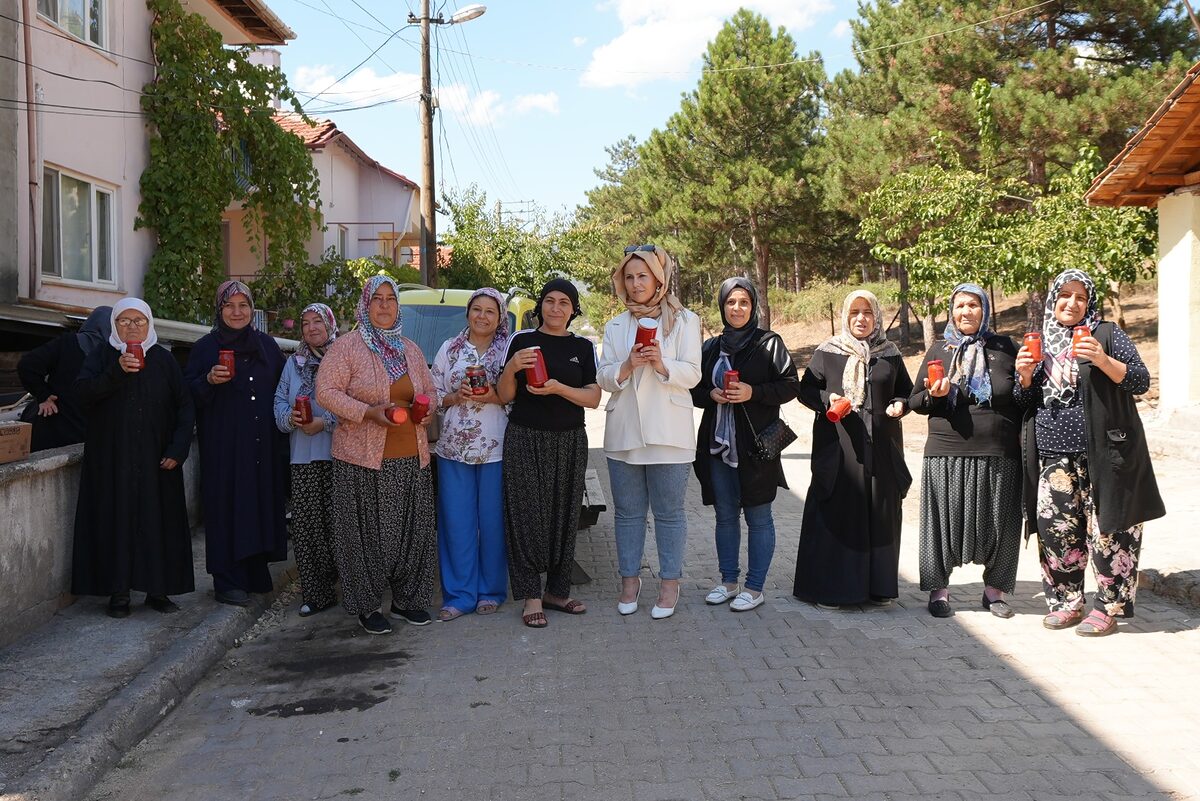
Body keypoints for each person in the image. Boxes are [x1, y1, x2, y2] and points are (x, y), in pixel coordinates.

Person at [1014, 269, 1164, 636]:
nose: (1072, 303)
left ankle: (1107, 606)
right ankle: (1067, 602)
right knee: (1057, 531)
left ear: (1089, 303)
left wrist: (1102, 359)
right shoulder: (1040, 341)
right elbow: (1024, 402)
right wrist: (1025, 377)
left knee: (1111, 531)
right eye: (1065, 294)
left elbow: (1140, 381)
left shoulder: (1107, 334)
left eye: (1081, 297)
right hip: (1052, 453)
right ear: (1053, 299)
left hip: (1105, 453)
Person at [316, 275, 438, 635]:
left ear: (399, 306)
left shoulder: (410, 350)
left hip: (411, 458)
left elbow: (429, 390)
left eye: (391, 299)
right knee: (365, 536)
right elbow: (326, 392)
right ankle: (367, 606)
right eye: (377, 299)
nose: (384, 305)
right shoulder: (348, 347)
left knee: (411, 534)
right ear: (365, 305)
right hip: (362, 460)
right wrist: (368, 412)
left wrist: (426, 410)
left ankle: (406, 601)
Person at [72, 299, 195, 617]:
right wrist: (117, 372)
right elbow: (82, 395)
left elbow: (185, 407)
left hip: (158, 461)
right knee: (117, 522)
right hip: (112, 459)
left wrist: (177, 450)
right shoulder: (101, 356)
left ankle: (158, 591)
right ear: (113, 325)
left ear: (149, 324)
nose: (131, 327)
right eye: (123, 321)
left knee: (158, 525)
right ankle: (119, 594)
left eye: (138, 321)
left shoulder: (165, 361)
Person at [598, 246, 701, 619]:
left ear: (659, 278)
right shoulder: (615, 325)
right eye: (629, 277)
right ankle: (630, 582)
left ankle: (669, 584)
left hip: (670, 435)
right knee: (627, 514)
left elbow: (693, 374)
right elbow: (604, 377)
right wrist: (625, 366)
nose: (636, 283)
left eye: (643, 276)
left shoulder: (686, 321)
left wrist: (661, 362)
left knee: (669, 514)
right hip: (624, 434)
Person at [793, 289, 912, 608]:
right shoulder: (828, 351)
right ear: (846, 316)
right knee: (840, 513)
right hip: (839, 449)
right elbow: (805, 390)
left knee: (878, 514)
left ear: (877, 316)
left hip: (881, 452)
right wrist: (827, 400)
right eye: (855, 313)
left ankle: (876, 588)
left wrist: (900, 405)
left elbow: (906, 392)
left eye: (868, 312)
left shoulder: (890, 352)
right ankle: (832, 590)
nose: (861, 318)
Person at [908, 284, 1022, 619]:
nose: (966, 312)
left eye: (973, 305)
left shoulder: (1006, 347)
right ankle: (939, 591)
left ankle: (994, 592)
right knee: (943, 524)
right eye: (960, 306)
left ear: (984, 309)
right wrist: (935, 396)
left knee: (1001, 523)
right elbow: (915, 401)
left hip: (999, 451)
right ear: (951, 311)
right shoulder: (939, 349)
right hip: (946, 449)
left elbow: (1023, 397)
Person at [691, 277, 800, 613]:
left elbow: (790, 385)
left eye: (743, 302)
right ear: (722, 307)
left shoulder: (769, 343)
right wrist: (709, 395)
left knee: (758, 516)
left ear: (752, 307)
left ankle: (754, 587)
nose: (736, 308)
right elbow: (691, 389)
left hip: (756, 447)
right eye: (730, 303)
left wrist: (754, 392)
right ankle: (728, 581)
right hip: (718, 446)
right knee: (725, 516)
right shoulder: (710, 347)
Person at [497, 278, 600, 629]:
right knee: (526, 515)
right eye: (550, 301)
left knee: (564, 514)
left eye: (564, 303)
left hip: (570, 439)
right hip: (525, 437)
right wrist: (511, 368)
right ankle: (531, 596)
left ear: (573, 310)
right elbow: (505, 395)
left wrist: (557, 387)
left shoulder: (584, 347)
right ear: (540, 305)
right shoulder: (522, 341)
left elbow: (593, 398)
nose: (556, 308)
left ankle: (557, 591)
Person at [185, 281, 288, 607]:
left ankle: (255, 571)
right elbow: (187, 396)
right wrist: (208, 381)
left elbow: (284, 386)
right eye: (230, 306)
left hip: (262, 445)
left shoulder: (267, 345)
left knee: (257, 504)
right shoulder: (204, 348)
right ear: (219, 309)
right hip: (225, 447)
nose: (237, 312)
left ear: (251, 310)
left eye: (243, 306)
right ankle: (227, 580)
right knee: (228, 506)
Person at [430, 288, 511, 621]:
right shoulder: (450, 349)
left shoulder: (508, 349)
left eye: (490, 311)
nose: (482, 316)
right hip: (453, 450)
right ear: (467, 313)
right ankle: (460, 594)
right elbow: (432, 392)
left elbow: (519, 395)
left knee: (492, 523)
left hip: (496, 449)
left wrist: (495, 395)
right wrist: (453, 397)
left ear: (499, 318)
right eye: (476, 309)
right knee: (456, 522)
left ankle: (491, 590)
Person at [273, 303, 340, 618]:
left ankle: (355, 590)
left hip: (341, 456)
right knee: (309, 529)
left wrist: (323, 423)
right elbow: (278, 401)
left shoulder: (343, 359)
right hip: (303, 459)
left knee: (342, 526)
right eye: (305, 323)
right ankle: (317, 593)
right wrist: (292, 420)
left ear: (330, 324)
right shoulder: (293, 364)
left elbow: (357, 407)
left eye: (318, 321)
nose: (312, 327)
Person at [17, 306, 112, 451]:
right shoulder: (114, 355)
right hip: (85, 438)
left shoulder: (66, 343)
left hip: (50, 430)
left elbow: (28, 365)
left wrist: (44, 396)